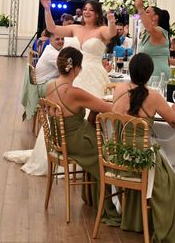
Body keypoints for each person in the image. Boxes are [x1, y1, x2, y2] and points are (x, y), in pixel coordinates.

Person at [111, 53, 175, 242]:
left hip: (115, 154)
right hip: (140, 157)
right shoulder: (153, 96)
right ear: (150, 73)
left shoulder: (118, 88)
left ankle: (135, 220)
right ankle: (162, 227)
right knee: (170, 182)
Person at [41, 47, 120, 225]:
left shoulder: (50, 85)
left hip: (59, 140)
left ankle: (94, 198)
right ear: (76, 68)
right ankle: (109, 206)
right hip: (76, 141)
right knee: (109, 153)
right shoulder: (73, 92)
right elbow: (110, 109)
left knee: (99, 140)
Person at [41, 0, 115, 97]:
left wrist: (111, 21)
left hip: (94, 74)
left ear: (97, 14)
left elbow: (111, 33)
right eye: (85, 9)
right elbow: (51, 28)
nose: (86, 12)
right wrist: (47, 9)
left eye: (91, 10)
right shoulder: (75, 28)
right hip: (74, 72)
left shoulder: (101, 30)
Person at [134, 0, 171, 79]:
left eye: (147, 12)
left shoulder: (159, 31)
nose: (144, 13)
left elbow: (150, 28)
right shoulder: (147, 33)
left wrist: (140, 9)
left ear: (155, 17)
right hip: (147, 73)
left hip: (158, 74)